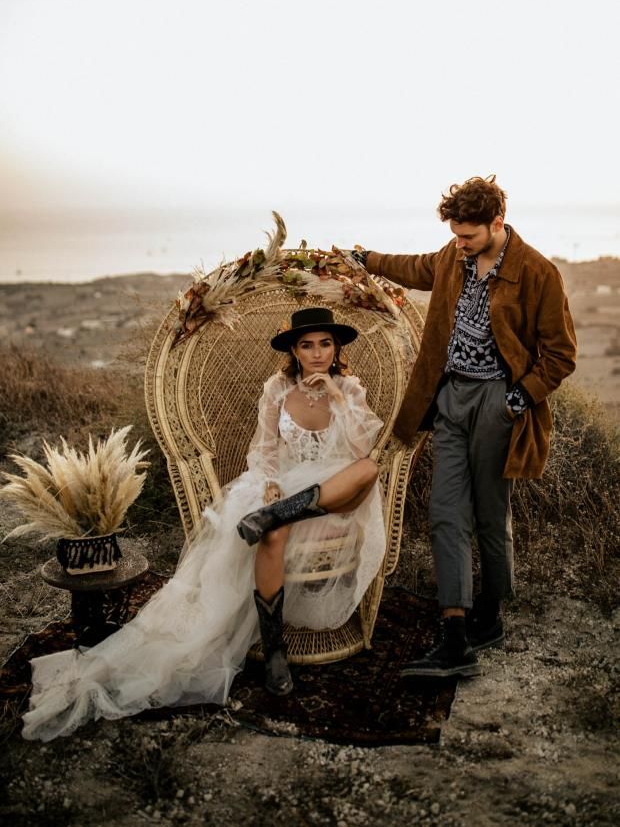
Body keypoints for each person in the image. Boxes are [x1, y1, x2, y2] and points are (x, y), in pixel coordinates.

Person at [22, 307, 385, 741]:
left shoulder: (351, 388)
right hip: (286, 487)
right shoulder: (277, 388)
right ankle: (275, 652)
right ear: (294, 349)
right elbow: (266, 449)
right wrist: (270, 486)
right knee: (271, 533)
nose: (317, 353)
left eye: (325, 343)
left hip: (339, 486)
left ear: (336, 347)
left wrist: (337, 396)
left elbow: (363, 449)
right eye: (307, 345)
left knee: (368, 468)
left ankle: (282, 512)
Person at [352, 175, 577, 679]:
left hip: (499, 401)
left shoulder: (539, 273)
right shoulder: (452, 257)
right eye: (455, 235)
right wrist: (366, 259)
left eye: (468, 236)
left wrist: (516, 400)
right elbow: (415, 268)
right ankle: (455, 635)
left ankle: (490, 614)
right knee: (446, 512)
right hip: (449, 396)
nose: (459, 244)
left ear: (497, 222)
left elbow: (561, 354)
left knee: (489, 514)